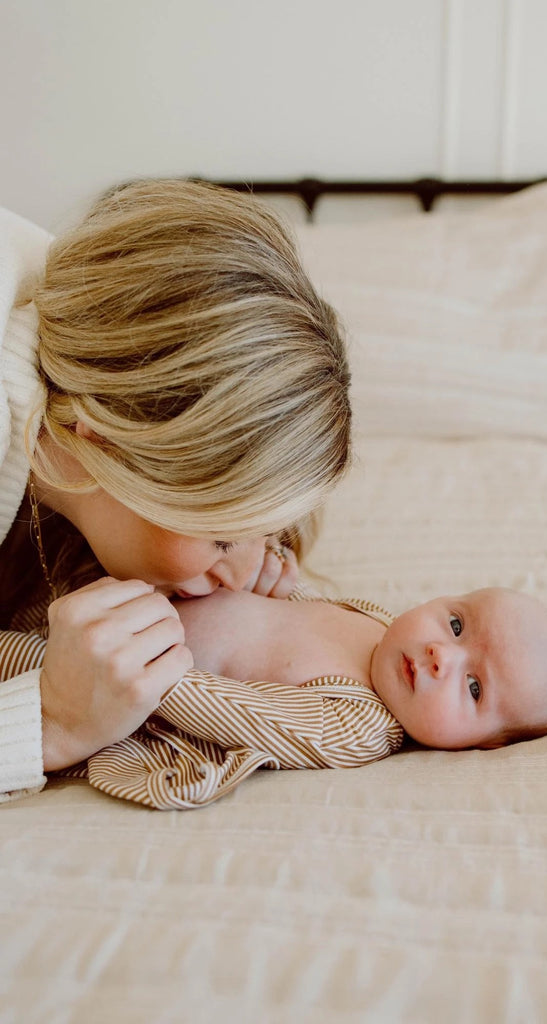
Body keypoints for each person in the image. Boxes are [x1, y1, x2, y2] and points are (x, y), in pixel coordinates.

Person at [0, 179, 351, 802]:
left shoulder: (98, 338)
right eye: (221, 537)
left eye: (261, 535)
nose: (242, 577)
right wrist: (51, 721)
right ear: (106, 440)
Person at [61, 584, 547, 810]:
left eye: (473, 688)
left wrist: (145, 674)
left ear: (479, 745)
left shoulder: (357, 724)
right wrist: (276, 579)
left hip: (112, 666)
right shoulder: (378, 622)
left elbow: (240, 715)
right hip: (131, 600)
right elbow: (302, 609)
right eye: (457, 624)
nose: (443, 654)